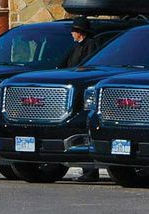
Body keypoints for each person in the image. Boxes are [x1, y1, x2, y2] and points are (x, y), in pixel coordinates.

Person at [62, 17, 101, 182]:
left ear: (80, 32)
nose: (71, 33)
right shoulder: (75, 47)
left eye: (74, 30)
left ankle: (90, 172)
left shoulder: (90, 46)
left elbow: (88, 67)